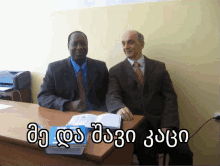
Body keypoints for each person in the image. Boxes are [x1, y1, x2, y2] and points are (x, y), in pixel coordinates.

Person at [106, 30, 193, 165]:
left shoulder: (159, 67)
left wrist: (168, 126)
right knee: (147, 155)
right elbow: (112, 95)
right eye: (123, 43)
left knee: (184, 152)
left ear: (142, 44)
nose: (126, 47)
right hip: (135, 127)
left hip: (161, 125)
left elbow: (170, 99)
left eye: (130, 42)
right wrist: (119, 108)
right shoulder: (115, 71)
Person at [38, 31, 109, 112]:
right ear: (68, 46)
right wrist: (68, 105)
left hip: (96, 114)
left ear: (87, 46)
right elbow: (43, 96)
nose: (79, 47)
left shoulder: (100, 67)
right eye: (75, 44)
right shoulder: (54, 68)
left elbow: (109, 94)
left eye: (83, 43)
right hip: (67, 115)